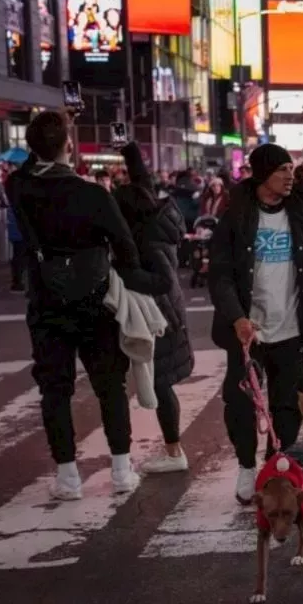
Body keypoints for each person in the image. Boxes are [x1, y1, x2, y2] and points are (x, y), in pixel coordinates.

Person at [6, 110, 172, 500]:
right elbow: (126, 249)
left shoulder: (19, 188)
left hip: (46, 300)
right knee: (109, 386)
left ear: (32, 147)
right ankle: (120, 470)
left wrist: (49, 138)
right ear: (68, 145)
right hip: (95, 299)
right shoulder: (93, 194)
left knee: (55, 389)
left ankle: (67, 477)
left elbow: (27, 170)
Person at [207, 143, 303, 504]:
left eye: (291, 169)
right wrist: (237, 317)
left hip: (291, 328)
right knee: (240, 402)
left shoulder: (301, 213)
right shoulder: (237, 214)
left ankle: (272, 464)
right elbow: (219, 275)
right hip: (248, 331)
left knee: (287, 406)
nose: (289, 176)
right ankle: (247, 467)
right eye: (282, 169)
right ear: (262, 173)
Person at [113, 142, 195, 472]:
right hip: (164, 311)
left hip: (160, 314)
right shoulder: (154, 219)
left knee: (161, 382)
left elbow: (161, 280)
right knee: (159, 381)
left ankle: (175, 452)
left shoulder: (146, 238)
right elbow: (142, 182)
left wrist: (126, 273)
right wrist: (131, 152)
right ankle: (173, 450)